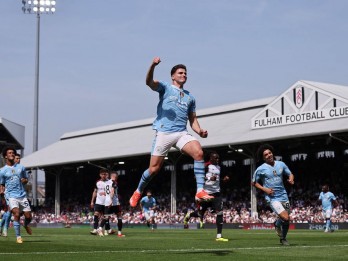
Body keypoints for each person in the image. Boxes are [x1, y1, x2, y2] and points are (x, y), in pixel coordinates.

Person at [129, 57, 213, 207]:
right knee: (154, 169)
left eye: (185, 73)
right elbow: (149, 82)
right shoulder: (166, 88)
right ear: (173, 76)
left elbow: (192, 119)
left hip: (181, 133)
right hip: (164, 133)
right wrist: (153, 65)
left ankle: (200, 190)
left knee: (199, 152)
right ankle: (138, 191)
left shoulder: (190, 97)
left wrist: (199, 131)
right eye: (180, 73)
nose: (184, 75)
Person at [252, 144, 294, 246]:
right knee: (285, 217)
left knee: (287, 219)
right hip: (272, 197)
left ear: (272, 153)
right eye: (266, 154)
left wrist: (291, 178)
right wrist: (264, 189)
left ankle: (282, 237)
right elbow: (253, 182)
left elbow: (290, 173)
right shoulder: (260, 169)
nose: (268, 155)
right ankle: (278, 225)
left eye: (269, 153)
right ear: (263, 158)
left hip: (283, 195)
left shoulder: (281, 164)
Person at [183, 152, 229, 242]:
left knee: (219, 213)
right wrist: (209, 179)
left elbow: (219, 180)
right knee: (200, 214)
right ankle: (189, 215)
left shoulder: (219, 167)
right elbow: (196, 177)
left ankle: (219, 236)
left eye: (218, 158)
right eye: (216, 158)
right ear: (211, 158)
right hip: (206, 194)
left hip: (217, 193)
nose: (217, 160)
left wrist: (225, 179)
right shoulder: (205, 166)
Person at [0, 147, 32, 244]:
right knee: (16, 214)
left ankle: (26, 225)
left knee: (28, 217)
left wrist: (24, 181)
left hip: (22, 195)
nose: (12, 154)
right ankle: (18, 237)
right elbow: (2, 184)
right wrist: (1, 191)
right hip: (10, 195)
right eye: (9, 153)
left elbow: (26, 179)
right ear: (5, 156)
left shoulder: (21, 167)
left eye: (13, 153)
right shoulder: (2, 171)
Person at [104, 171, 125, 237]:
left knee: (107, 217)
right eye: (117, 176)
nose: (117, 177)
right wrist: (111, 200)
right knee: (119, 216)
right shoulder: (114, 182)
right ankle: (119, 233)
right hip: (114, 202)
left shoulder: (106, 183)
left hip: (106, 202)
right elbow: (112, 191)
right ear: (115, 176)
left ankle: (106, 231)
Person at [90, 169, 109, 237]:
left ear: (106, 174)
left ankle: (100, 228)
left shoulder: (109, 182)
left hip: (107, 202)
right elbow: (95, 192)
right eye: (102, 174)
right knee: (96, 214)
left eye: (105, 174)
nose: (104, 175)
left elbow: (112, 192)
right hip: (98, 201)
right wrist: (92, 201)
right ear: (100, 175)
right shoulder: (97, 182)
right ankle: (95, 229)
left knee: (106, 216)